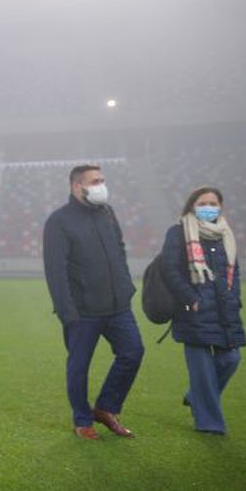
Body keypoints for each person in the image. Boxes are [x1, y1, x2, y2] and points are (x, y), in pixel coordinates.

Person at [43, 164, 145, 440]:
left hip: (118, 306)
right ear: (78, 186)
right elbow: (55, 270)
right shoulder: (58, 221)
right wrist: (67, 313)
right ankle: (82, 420)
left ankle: (106, 408)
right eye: (95, 181)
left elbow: (120, 248)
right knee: (79, 367)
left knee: (133, 353)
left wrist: (124, 285)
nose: (102, 185)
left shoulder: (107, 213)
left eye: (102, 180)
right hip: (82, 312)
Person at [159, 186, 245, 435]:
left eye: (214, 203)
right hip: (193, 309)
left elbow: (234, 271)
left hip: (223, 308)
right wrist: (189, 297)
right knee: (202, 368)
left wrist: (234, 297)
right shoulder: (177, 232)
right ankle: (210, 423)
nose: (209, 207)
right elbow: (170, 268)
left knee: (231, 359)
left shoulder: (224, 235)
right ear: (192, 206)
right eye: (203, 203)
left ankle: (196, 396)